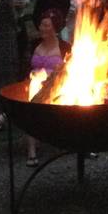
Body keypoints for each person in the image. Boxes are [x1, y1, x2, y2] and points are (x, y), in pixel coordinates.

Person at [23, 9, 71, 166]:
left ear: (55, 28)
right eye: (41, 25)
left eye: (46, 25)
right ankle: (31, 151)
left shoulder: (64, 47)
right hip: (35, 86)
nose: (42, 28)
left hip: (57, 88)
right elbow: (25, 68)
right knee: (31, 101)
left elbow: (72, 72)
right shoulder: (34, 45)